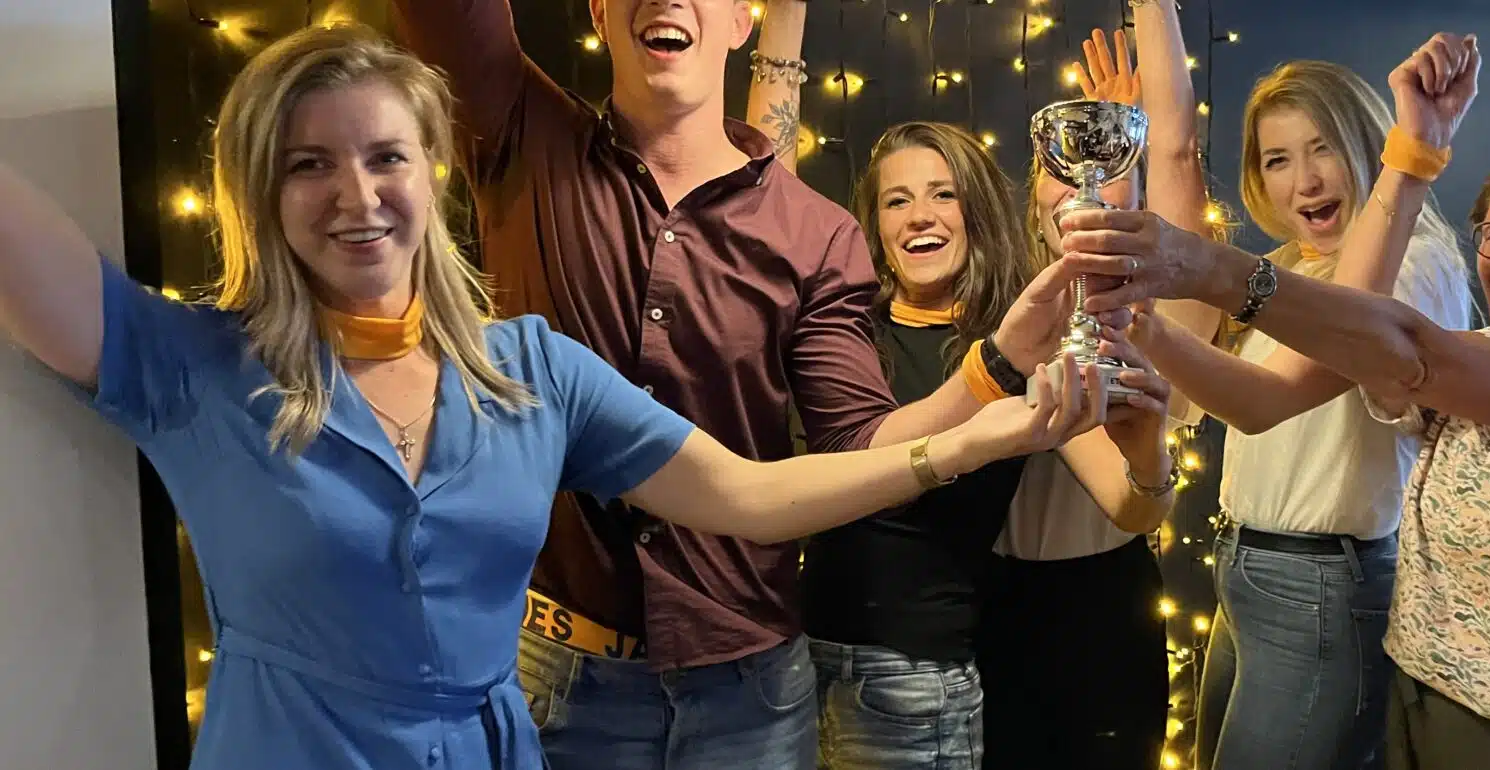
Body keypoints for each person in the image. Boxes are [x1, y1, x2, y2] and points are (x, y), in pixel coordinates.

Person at [0, 24, 1097, 770]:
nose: (356, 194)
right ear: (259, 187)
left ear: (433, 170)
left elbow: (752, 497)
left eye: (386, 156)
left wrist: (973, 434)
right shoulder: (196, 364)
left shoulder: (530, 368)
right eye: (307, 164)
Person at [389, 2, 1098, 767]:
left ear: (739, 19)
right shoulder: (523, 134)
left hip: (750, 701)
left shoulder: (816, 233)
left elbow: (858, 445)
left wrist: (994, 367)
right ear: (599, 9)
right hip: (560, 684)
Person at [1064, 33, 1490, 770]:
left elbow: (1376, 355)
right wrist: (1140, 308)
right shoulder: (1445, 340)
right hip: (1425, 682)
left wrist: (1204, 263)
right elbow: (1278, 380)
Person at [742, 13, 1177, 768]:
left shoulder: (1022, 343)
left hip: (914, 683)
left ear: (974, 214)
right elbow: (763, 206)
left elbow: (1129, 503)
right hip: (786, 661)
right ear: (875, 226)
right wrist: (782, 28)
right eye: (896, 200)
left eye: (942, 195)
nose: (920, 215)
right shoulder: (841, 323)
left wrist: (1149, 457)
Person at [1136, 48, 1471, 770]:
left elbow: (1264, 400)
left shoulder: (1411, 265)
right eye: (1278, 159)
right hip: (1255, 572)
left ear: (1371, 146)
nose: (1305, 180)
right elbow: (1206, 392)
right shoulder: (1292, 265)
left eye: (1324, 148)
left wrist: (1141, 323)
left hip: (1321, 585)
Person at [970, 9, 1210, 769]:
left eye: (1109, 159)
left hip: (1107, 604)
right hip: (988, 605)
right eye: (1069, 162)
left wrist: (1153, 24)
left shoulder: (1161, 308)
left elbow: (1177, 151)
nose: (1087, 178)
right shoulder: (1000, 310)